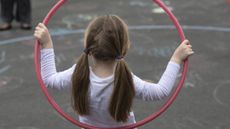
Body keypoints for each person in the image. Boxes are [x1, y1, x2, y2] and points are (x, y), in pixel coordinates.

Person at [34, 15, 194, 128]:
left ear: (88, 47)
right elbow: (161, 91)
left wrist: (47, 44)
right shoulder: (126, 79)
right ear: (124, 48)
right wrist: (176, 59)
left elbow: (48, 79)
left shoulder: (78, 73)